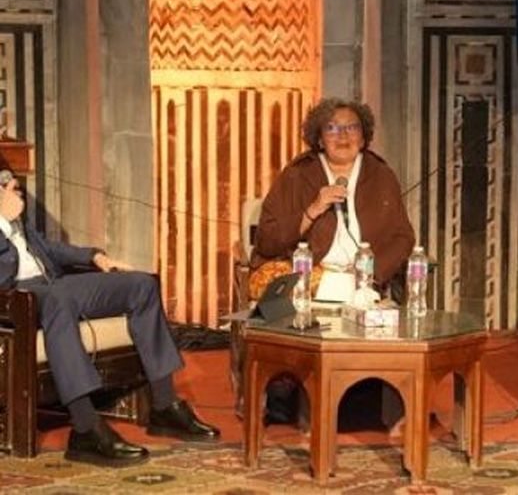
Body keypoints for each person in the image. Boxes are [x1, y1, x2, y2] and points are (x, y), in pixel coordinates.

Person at [0, 172, 220, 466]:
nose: (17, 193)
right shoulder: (5, 218)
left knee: (142, 285)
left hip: (55, 285)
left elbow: (48, 249)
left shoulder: (18, 219)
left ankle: (164, 405)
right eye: (10, 187)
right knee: (59, 300)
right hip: (19, 296)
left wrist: (95, 257)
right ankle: (85, 427)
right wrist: (3, 222)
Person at [250, 97, 415, 427]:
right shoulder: (297, 175)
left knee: (376, 312)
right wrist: (314, 208)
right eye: (332, 128)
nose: (343, 136)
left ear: (364, 137)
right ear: (319, 138)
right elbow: (267, 240)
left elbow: (403, 237)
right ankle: (291, 399)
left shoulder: (381, 175)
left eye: (352, 128)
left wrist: (372, 275)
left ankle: (389, 405)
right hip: (310, 278)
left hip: (366, 281)